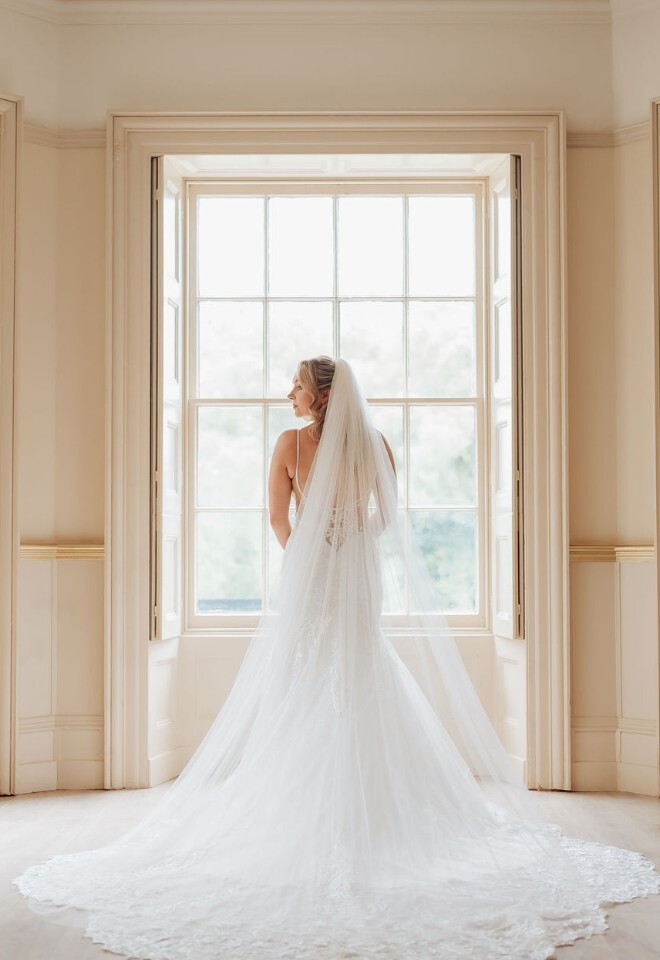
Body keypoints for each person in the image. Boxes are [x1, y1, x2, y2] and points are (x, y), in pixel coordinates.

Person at [12, 356, 660, 960]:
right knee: (351, 670)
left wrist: (311, 552)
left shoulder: (290, 446)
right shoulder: (373, 445)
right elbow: (387, 519)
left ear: (318, 396)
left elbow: (276, 519)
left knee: (315, 678)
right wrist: (349, 544)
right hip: (353, 573)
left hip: (313, 574)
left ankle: (337, 808)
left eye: (295, 385)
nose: (286, 395)